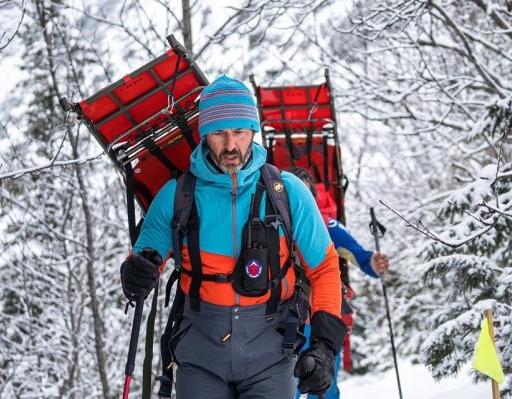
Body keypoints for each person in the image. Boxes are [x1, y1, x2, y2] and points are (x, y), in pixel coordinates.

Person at [119, 75, 347, 399]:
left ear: (253, 131)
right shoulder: (178, 195)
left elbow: (324, 269)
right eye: (218, 133)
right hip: (200, 351)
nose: (230, 145)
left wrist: (324, 346)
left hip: (272, 349)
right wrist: (134, 273)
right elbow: (143, 259)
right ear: (203, 136)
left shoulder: (288, 192)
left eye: (239, 132)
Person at [288, 167, 390, 399]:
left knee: (323, 387)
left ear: (315, 198)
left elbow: (359, 255)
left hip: (321, 318)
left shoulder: (327, 226)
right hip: (284, 320)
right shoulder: (268, 224)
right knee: (285, 387)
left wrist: (374, 263)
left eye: (307, 194)